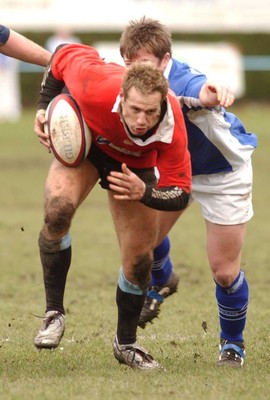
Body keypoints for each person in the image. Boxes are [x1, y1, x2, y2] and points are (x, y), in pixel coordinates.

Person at [33, 43, 192, 370]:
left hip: (135, 170)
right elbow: (62, 54)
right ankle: (53, 314)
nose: (141, 120)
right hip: (89, 146)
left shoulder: (172, 121)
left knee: (139, 262)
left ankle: (126, 344)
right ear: (121, 97)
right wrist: (44, 106)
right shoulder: (96, 83)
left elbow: (180, 191)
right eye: (134, 109)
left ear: (164, 102)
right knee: (56, 213)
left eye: (151, 112)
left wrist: (144, 193)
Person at [119, 17, 257, 367]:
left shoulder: (182, 79)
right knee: (141, 245)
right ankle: (163, 279)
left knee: (225, 272)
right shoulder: (127, 86)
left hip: (222, 171)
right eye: (131, 65)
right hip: (174, 168)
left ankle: (233, 344)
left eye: (147, 65)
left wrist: (212, 95)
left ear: (166, 61)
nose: (139, 75)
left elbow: (200, 90)